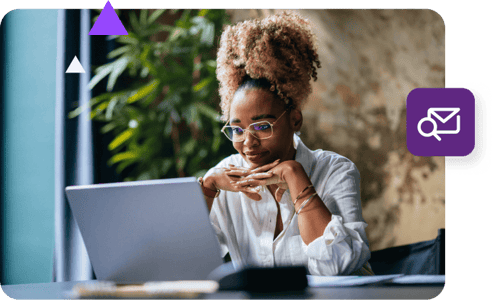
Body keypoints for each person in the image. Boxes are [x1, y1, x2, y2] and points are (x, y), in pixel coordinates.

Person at [198, 12, 374, 276]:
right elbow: (180, 261)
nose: (248, 142)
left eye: (262, 126)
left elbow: (337, 266)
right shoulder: (226, 176)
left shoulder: (336, 171)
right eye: (237, 129)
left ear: (294, 120)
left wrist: (295, 176)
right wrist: (208, 188)